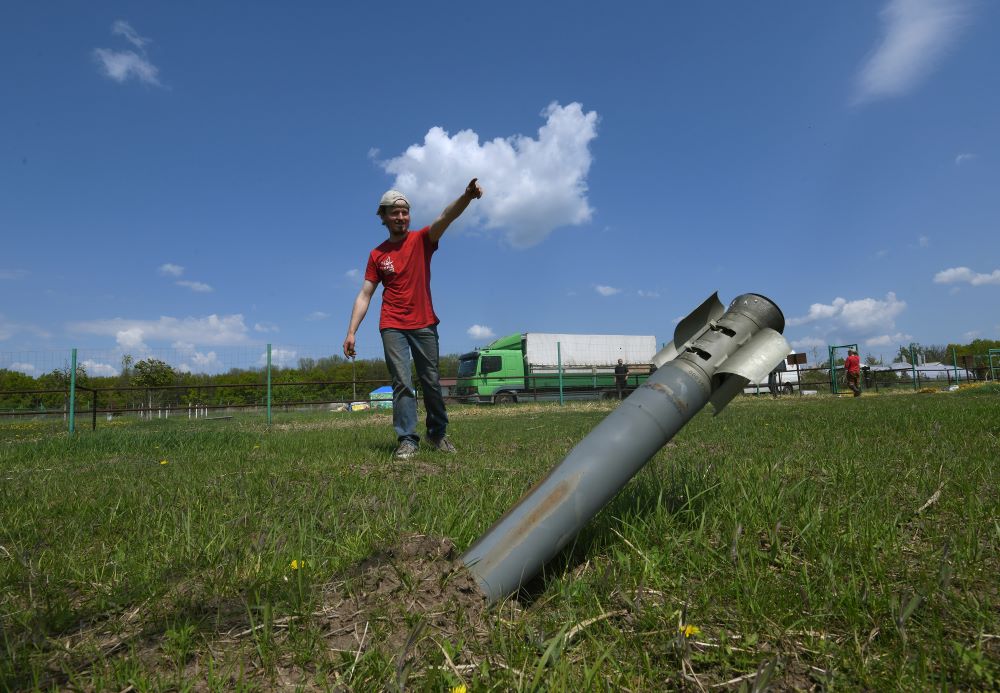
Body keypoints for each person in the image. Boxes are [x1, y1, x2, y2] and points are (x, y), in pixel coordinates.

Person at [343, 178, 483, 459]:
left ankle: (437, 434)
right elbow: (365, 294)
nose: (401, 216)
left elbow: (446, 216)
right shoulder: (377, 255)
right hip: (392, 323)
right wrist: (351, 331)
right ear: (383, 216)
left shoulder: (422, 240)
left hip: (424, 322)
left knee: (430, 380)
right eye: (394, 212)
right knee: (402, 382)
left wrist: (466, 196)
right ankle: (407, 439)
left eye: (405, 211)